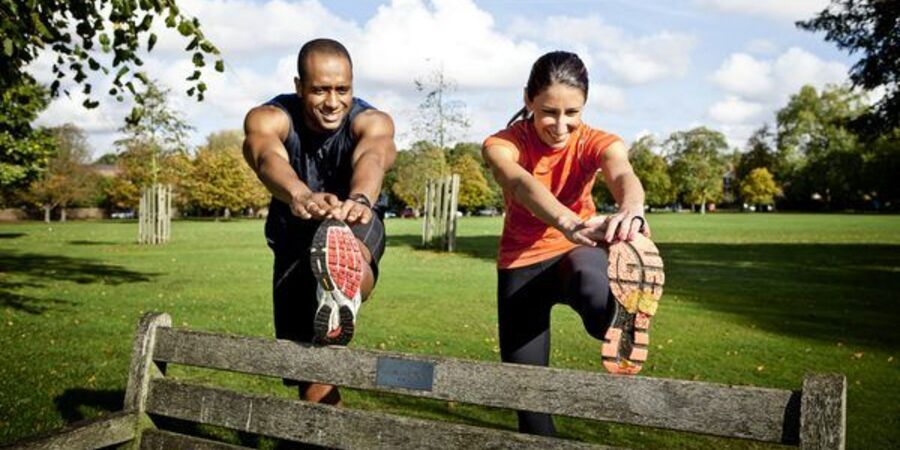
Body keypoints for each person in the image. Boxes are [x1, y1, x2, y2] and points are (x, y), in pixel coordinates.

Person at [481, 51, 664, 436]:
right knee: (527, 400)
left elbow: (622, 172)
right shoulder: (502, 143)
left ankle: (620, 318)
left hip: (575, 252)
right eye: (549, 111)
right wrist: (567, 220)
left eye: (572, 113)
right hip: (520, 265)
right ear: (528, 99)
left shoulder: (599, 141)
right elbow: (517, 182)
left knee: (590, 285)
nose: (560, 125)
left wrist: (632, 209)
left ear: (584, 106)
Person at [242, 38, 396, 405]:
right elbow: (266, 157)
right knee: (311, 369)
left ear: (353, 86)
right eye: (320, 90)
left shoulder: (372, 120)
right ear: (298, 87)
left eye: (342, 90)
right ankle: (326, 434)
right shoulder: (270, 117)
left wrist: (359, 198)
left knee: (350, 252)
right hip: (293, 235)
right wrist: (300, 194)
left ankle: (344, 286)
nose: (332, 102)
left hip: (354, 217)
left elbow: (374, 157)